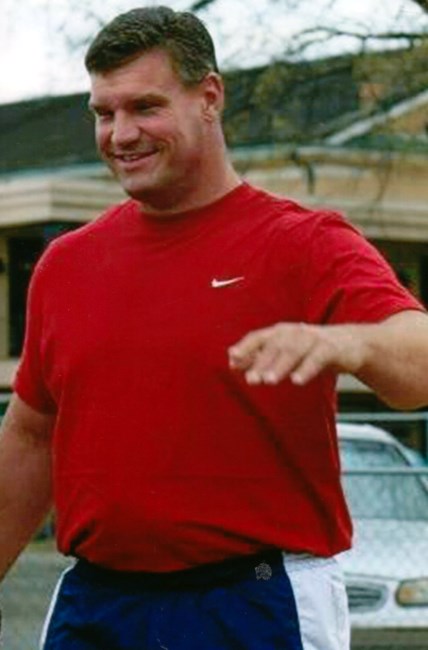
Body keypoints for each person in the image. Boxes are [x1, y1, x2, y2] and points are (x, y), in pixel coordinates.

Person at [1, 6, 428, 650]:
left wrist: (346, 341)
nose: (121, 134)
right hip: (98, 604)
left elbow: (418, 363)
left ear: (209, 97)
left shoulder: (304, 243)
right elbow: (32, 437)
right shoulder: (65, 265)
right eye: (103, 113)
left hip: (256, 602)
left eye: (145, 107)